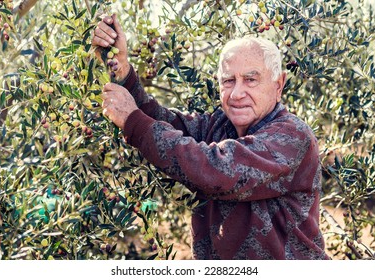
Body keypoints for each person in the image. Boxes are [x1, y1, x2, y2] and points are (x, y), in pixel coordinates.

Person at [92, 14, 329, 260]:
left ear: (278, 85)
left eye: (250, 79)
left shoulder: (291, 136)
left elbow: (217, 171)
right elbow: (164, 121)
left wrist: (133, 121)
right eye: (228, 80)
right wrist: (121, 68)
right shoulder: (219, 126)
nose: (237, 93)